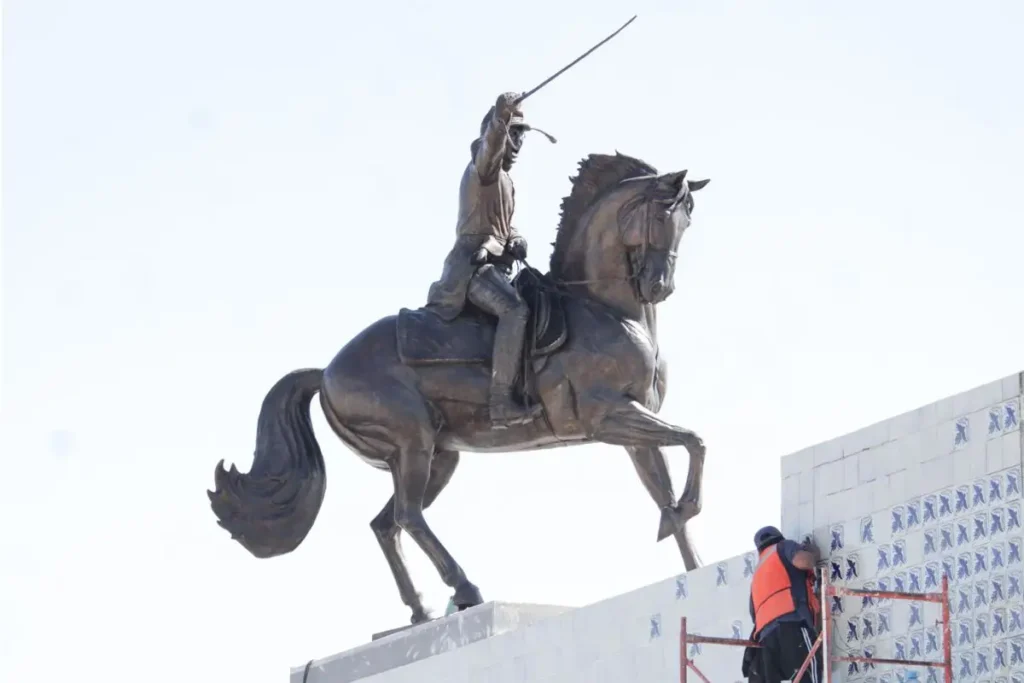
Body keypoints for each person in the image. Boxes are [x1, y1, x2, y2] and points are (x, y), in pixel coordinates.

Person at [425, 91, 542, 429]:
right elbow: (491, 147)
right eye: (514, 134)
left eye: (521, 136)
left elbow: (503, 225)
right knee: (514, 310)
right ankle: (501, 401)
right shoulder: (485, 169)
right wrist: (501, 119)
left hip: (499, 267)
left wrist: (516, 238)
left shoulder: (505, 180)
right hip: (473, 270)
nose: (517, 142)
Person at [749, 526, 823, 683]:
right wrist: (813, 552)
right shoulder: (782, 547)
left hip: (766, 639)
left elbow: (752, 611)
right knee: (810, 669)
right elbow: (805, 561)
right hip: (792, 625)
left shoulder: (757, 573)